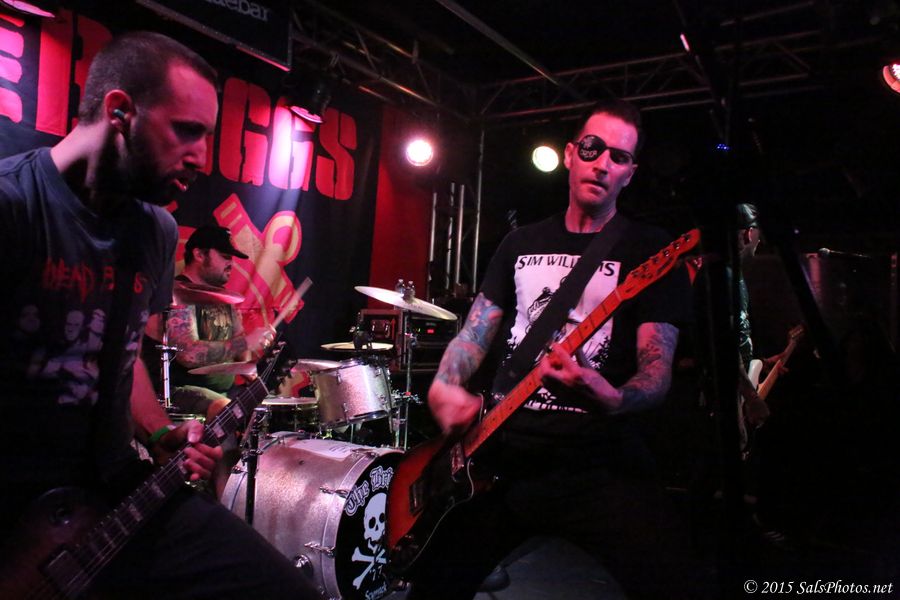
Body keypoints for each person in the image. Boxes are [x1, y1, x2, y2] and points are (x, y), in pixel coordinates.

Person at [0, 31, 316, 599]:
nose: (201, 157)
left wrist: (162, 431)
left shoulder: (155, 231)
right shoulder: (13, 206)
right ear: (120, 111)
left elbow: (124, 357)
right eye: (186, 130)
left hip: (114, 490)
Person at [409, 99, 701, 599]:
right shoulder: (519, 243)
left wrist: (613, 397)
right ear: (569, 154)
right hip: (502, 454)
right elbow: (475, 334)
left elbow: (656, 370)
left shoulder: (649, 250)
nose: (603, 163)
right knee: (433, 586)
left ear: (630, 174)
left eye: (619, 157)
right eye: (592, 148)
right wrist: (443, 384)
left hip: (601, 465)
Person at [143, 224, 273, 424]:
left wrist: (256, 366)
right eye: (224, 256)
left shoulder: (222, 299)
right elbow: (190, 355)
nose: (230, 263)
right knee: (225, 408)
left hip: (220, 391)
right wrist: (246, 342)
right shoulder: (176, 295)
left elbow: (240, 356)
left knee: (267, 407)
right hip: (176, 391)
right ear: (199, 255)